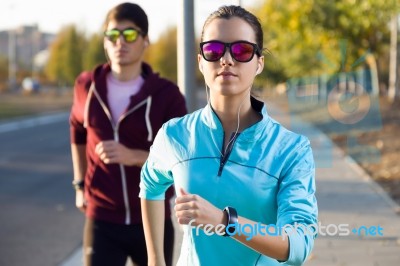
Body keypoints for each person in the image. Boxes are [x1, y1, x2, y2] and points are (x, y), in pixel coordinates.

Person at [139, 5, 318, 266]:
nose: (226, 60)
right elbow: (150, 184)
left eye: (241, 50)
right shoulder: (174, 134)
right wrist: (155, 261)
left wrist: (225, 222)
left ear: (259, 63)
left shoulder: (291, 150)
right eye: (213, 50)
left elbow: (299, 245)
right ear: (201, 60)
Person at [69, 2, 187, 266]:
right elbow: (77, 130)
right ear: (104, 42)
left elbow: (182, 159)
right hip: (101, 217)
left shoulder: (166, 95)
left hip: (151, 215)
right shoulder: (86, 86)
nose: (120, 42)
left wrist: (134, 156)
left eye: (130, 34)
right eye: (112, 35)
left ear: (145, 40)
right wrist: (79, 185)